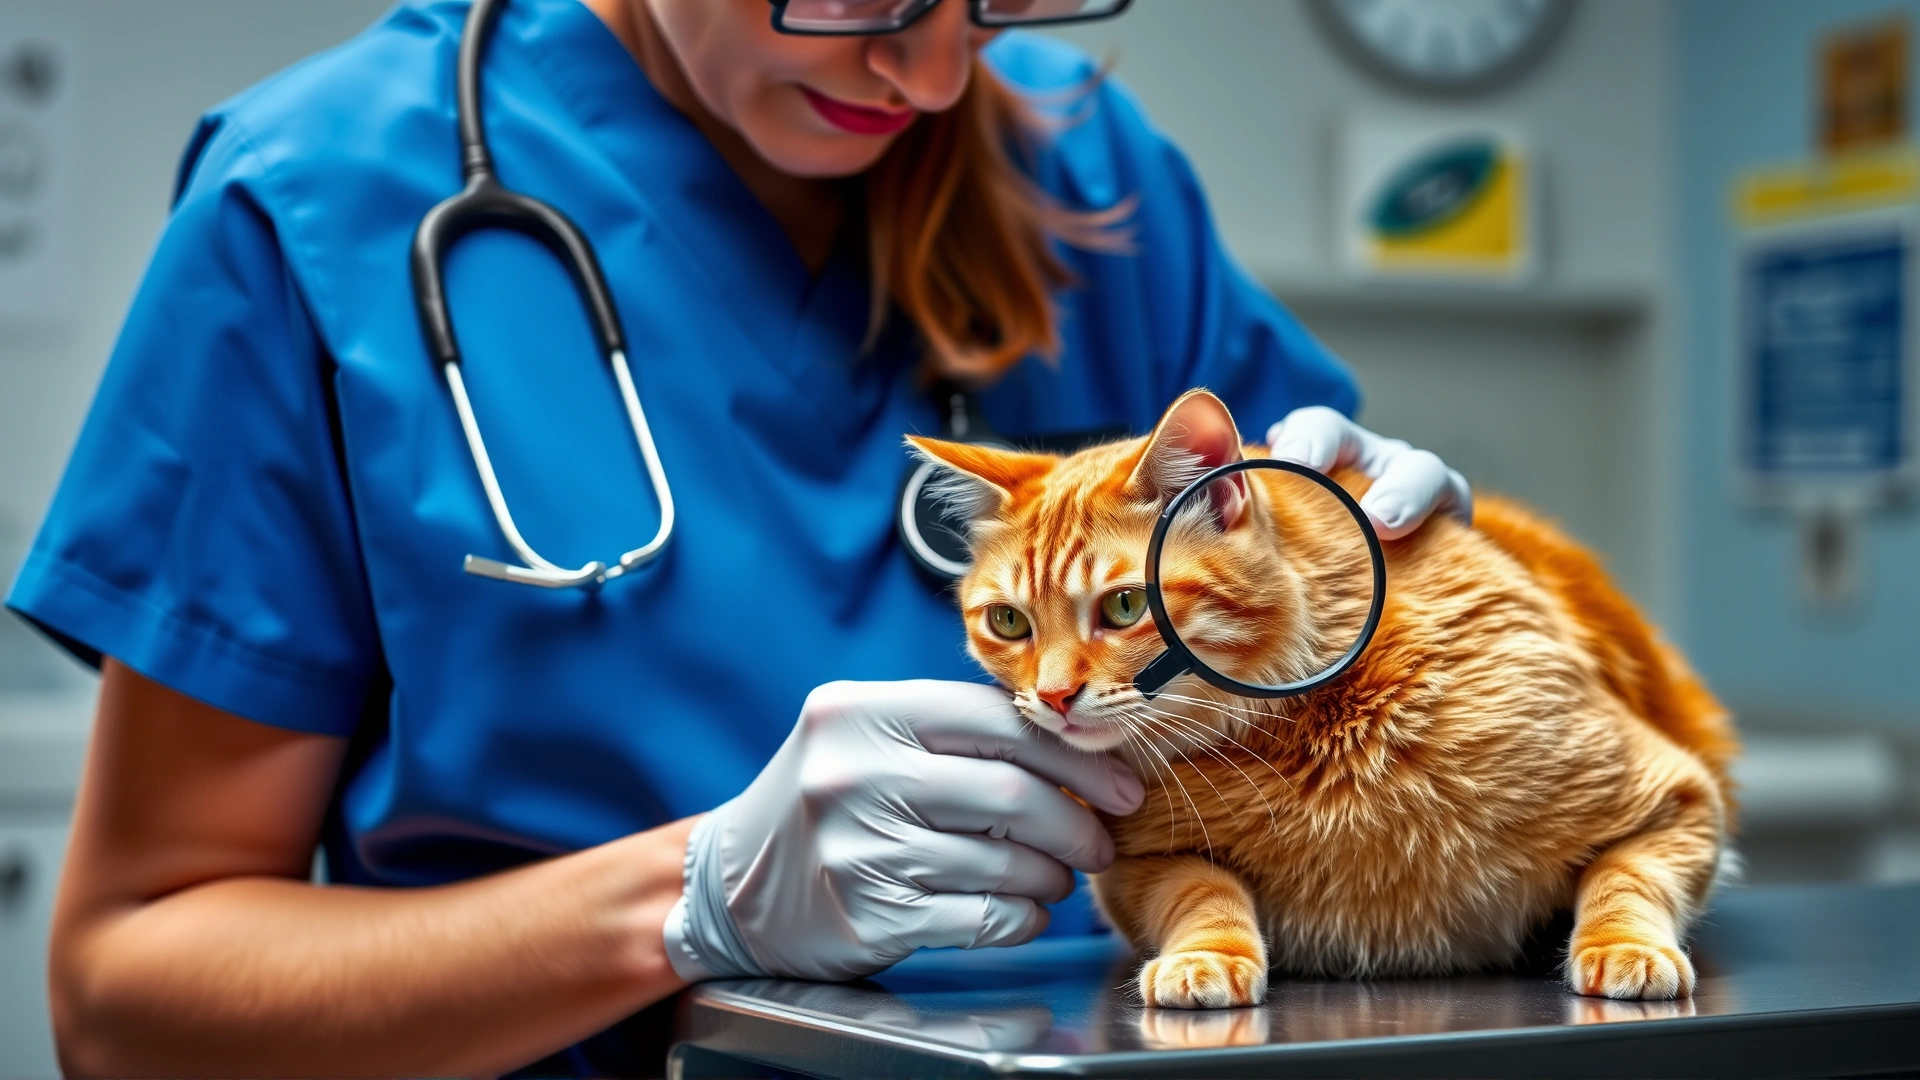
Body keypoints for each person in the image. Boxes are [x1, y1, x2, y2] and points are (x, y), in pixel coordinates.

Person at [4, 0, 1472, 1074]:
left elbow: (1317, 693)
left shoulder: (1086, 170)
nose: (939, 68)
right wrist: (693, 900)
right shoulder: (318, 204)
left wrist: (1401, 587)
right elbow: (128, 1001)